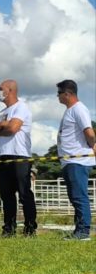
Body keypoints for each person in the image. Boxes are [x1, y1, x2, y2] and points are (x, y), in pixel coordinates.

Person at [0, 79, 37, 237]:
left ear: (10, 91)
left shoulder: (21, 107)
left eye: (1, 89)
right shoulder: (1, 112)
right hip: (3, 156)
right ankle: (8, 229)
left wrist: (1, 127)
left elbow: (13, 128)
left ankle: (30, 228)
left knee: (24, 194)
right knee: (6, 195)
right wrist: (3, 125)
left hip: (20, 156)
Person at [55, 79, 95, 241]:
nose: (57, 97)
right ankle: (79, 230)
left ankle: (83, 232)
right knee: (75, 197)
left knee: (79, 197)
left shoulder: (79, 109)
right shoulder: (71, 110)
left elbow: (89, 132)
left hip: (77, 161)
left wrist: (93, 145)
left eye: (59, 93)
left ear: (67, 94)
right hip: (69, 162)